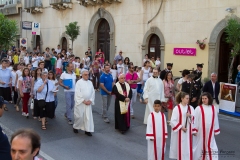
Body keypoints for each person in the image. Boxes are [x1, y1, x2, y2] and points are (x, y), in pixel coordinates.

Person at [192, 92, 220, 160]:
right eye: (202, 98)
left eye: (205, 98)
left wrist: (216, 130)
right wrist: (194, 130)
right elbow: (194, 119)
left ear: (209, 99)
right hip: (200, 131)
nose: (204, 100)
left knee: (211, 146)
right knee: (200, 146)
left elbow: (215, 119)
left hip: (210, 131)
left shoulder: (213, 108)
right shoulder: (199, 108)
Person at [169, 92, 195, 160]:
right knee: (179, 148)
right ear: (182, 99)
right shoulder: (177, 108)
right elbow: (173, 121)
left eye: (188, 98)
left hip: (187, 132)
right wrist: (181, 127)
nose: (188, 100)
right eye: (186, 98)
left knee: (187, 148)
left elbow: (194, 119)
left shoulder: (191, 108)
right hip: (179, 132)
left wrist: (189, 116)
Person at [73, 70, 95, 136]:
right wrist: (83, 100)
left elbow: (93, 92)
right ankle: (76, 127)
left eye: (88, 74)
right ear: (82, 75)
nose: (87, 76)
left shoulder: (90, 83)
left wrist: (90, 100)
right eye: (85, 74)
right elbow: (77, 93)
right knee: (79, 116)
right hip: (81, 102)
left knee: (88, 117)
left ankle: (87, 130)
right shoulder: (79, 82)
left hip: (88, 103)